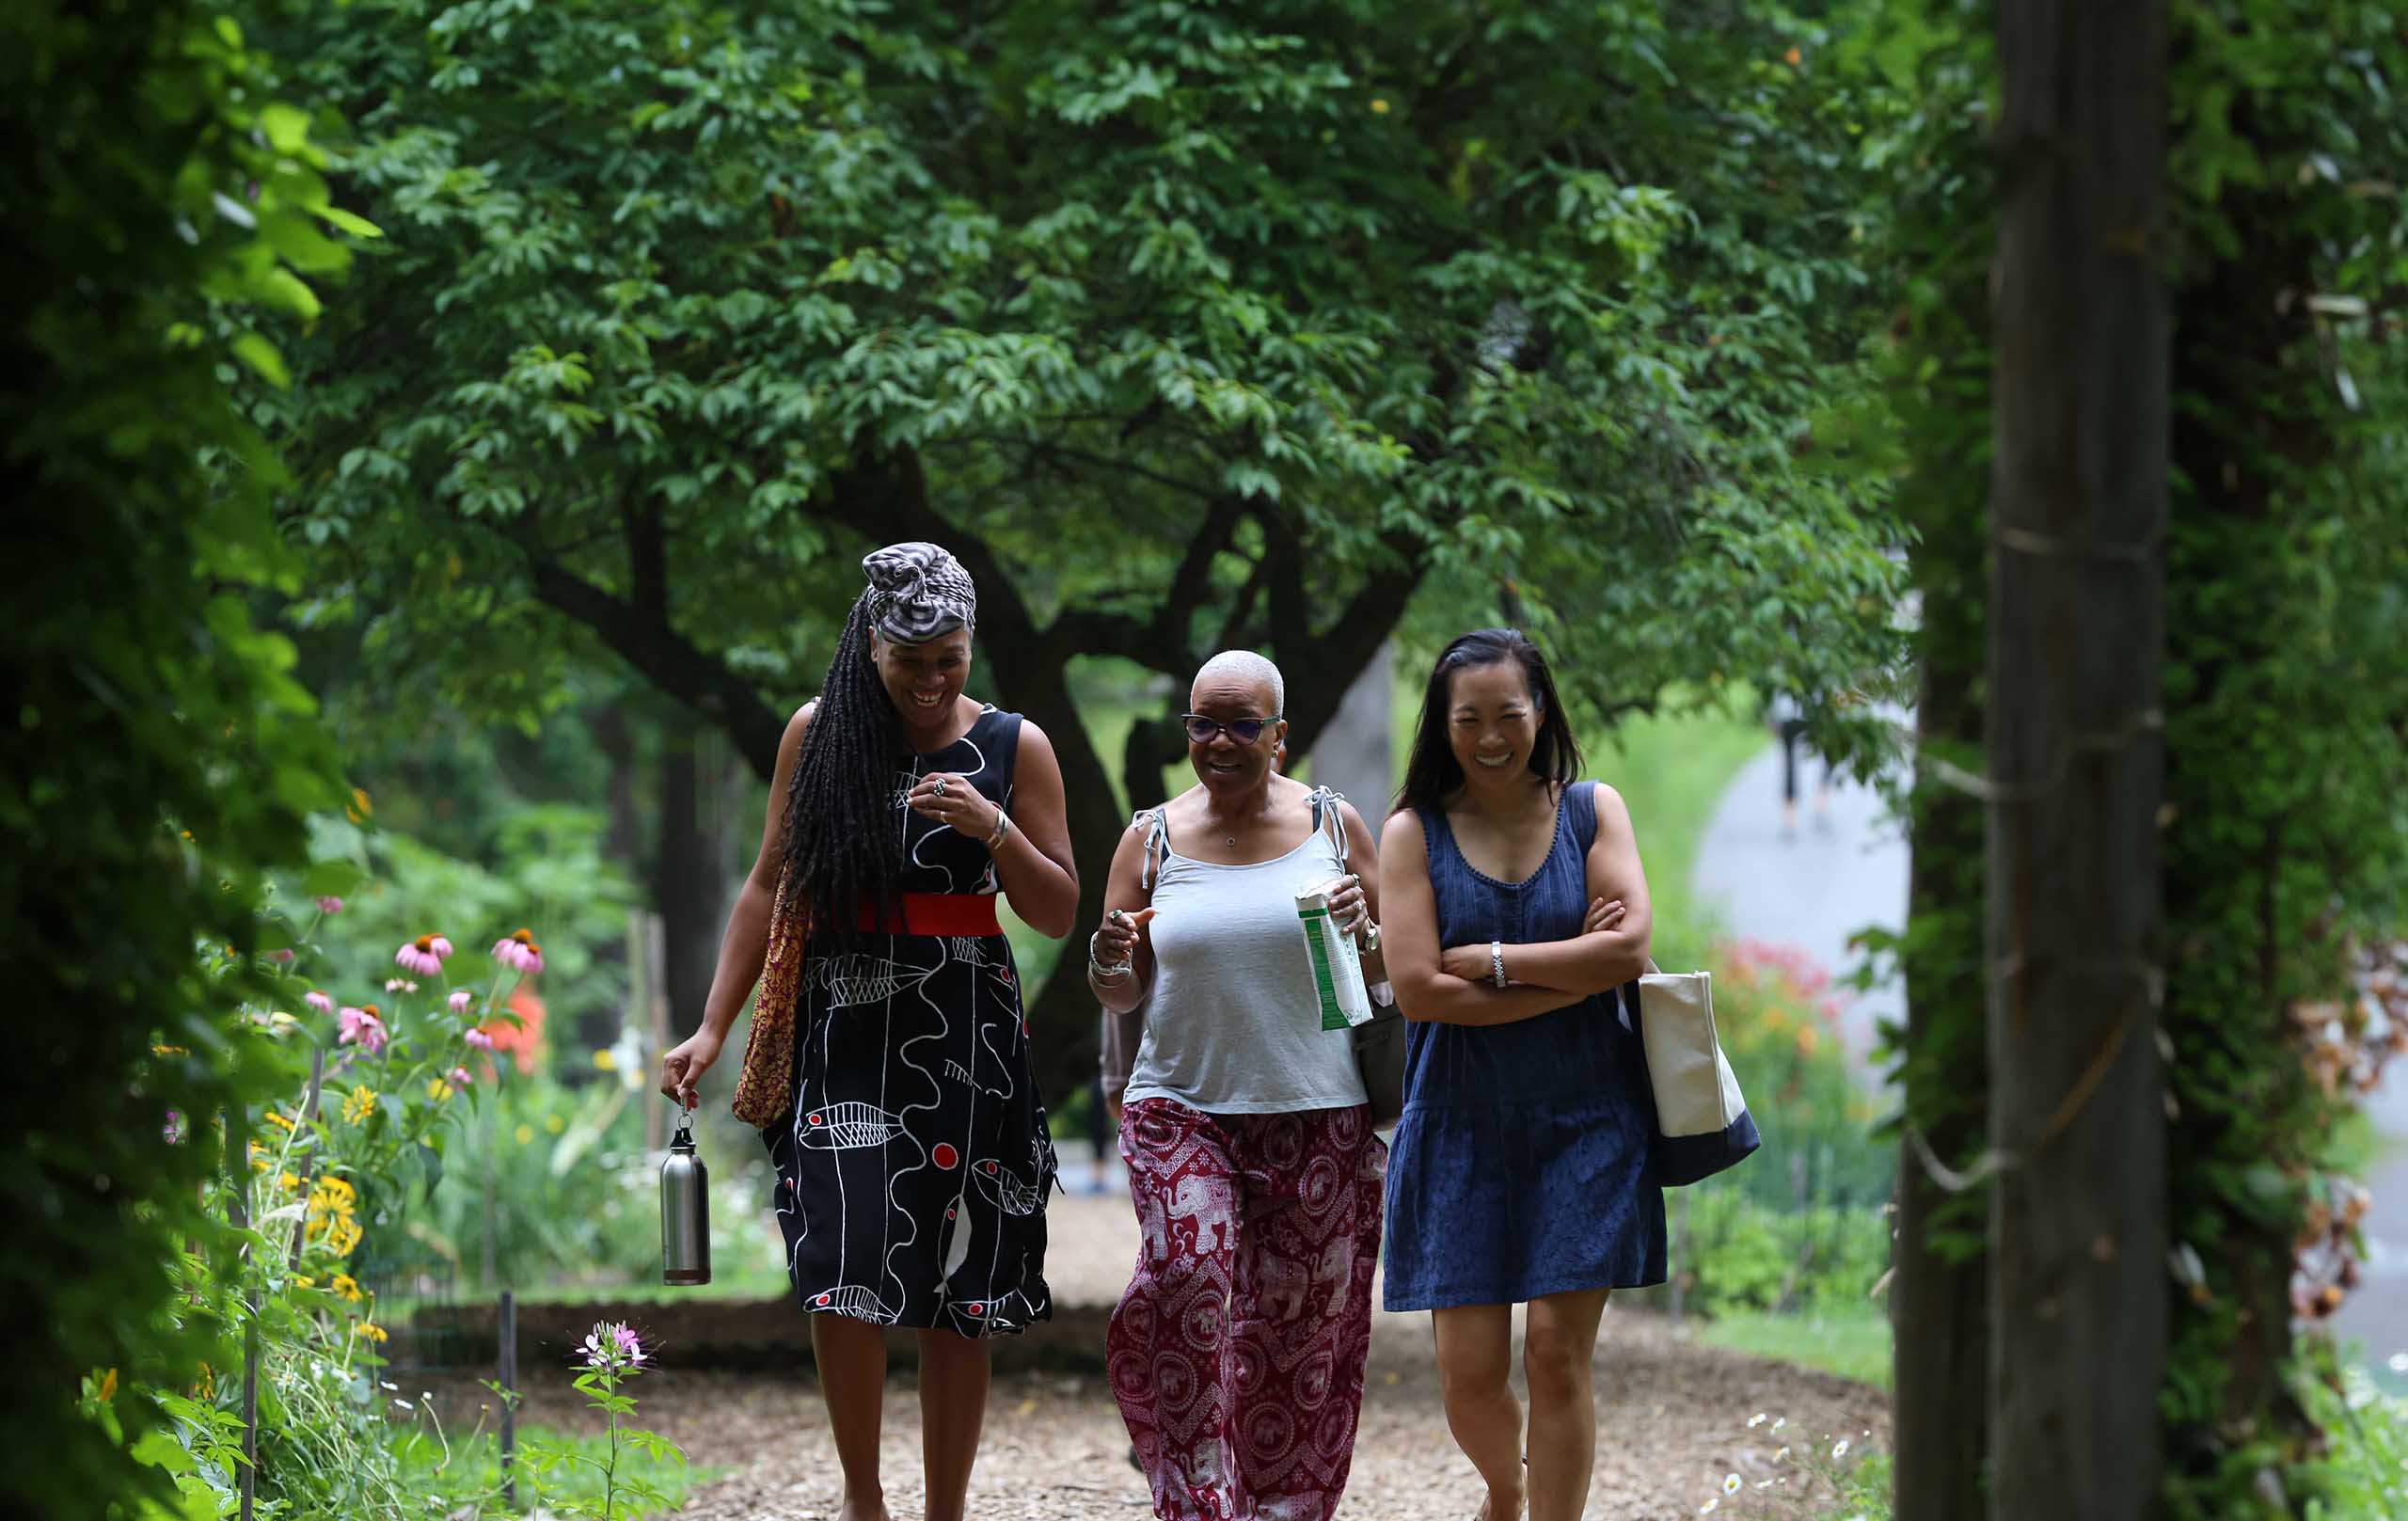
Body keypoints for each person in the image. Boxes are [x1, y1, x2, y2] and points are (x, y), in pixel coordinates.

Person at [658, 542, 1080, 1521]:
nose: (934, 680)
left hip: (968, 1035)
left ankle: (945, 1509)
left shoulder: (1017, 747)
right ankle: (863, 1499)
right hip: (843, 1027)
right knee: (840, 1265)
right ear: (870, 645)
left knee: (957, 1278)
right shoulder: (818, 735)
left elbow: (1057, 911)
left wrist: (993, 829)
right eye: (912, 658)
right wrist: (713, 1026)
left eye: (952, 657)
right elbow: (769, 883)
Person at [1089, 650, 1389, 1521]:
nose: (1219, 741)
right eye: (1203, 724)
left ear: (1280, 737)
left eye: (1242, 725)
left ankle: (1281, 1508)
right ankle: (1197, 1503)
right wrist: (1111, 955)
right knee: (1187, 1278)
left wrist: (1364, 926)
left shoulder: (1336, 827)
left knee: (1300, 1336)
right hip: (1180, 1106)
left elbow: (1390, 972)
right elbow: (1120, 990)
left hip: (1317, 1113)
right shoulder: (1148, 837)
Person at [1377, 628, 1663, 1521]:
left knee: (1552, 1350)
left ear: (1542, 712)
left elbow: (1631, 948)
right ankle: (1507, 1487)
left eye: (1510, 714)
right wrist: (1571, 969)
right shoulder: (1410, 832)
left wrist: (1496, 961)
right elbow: (1421, 991)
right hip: (1457, 1118)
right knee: (1467, 1374)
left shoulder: (1590, 811)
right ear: (1443, 723)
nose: (1492, 736)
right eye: (1470, 719)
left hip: (1589, 1115)